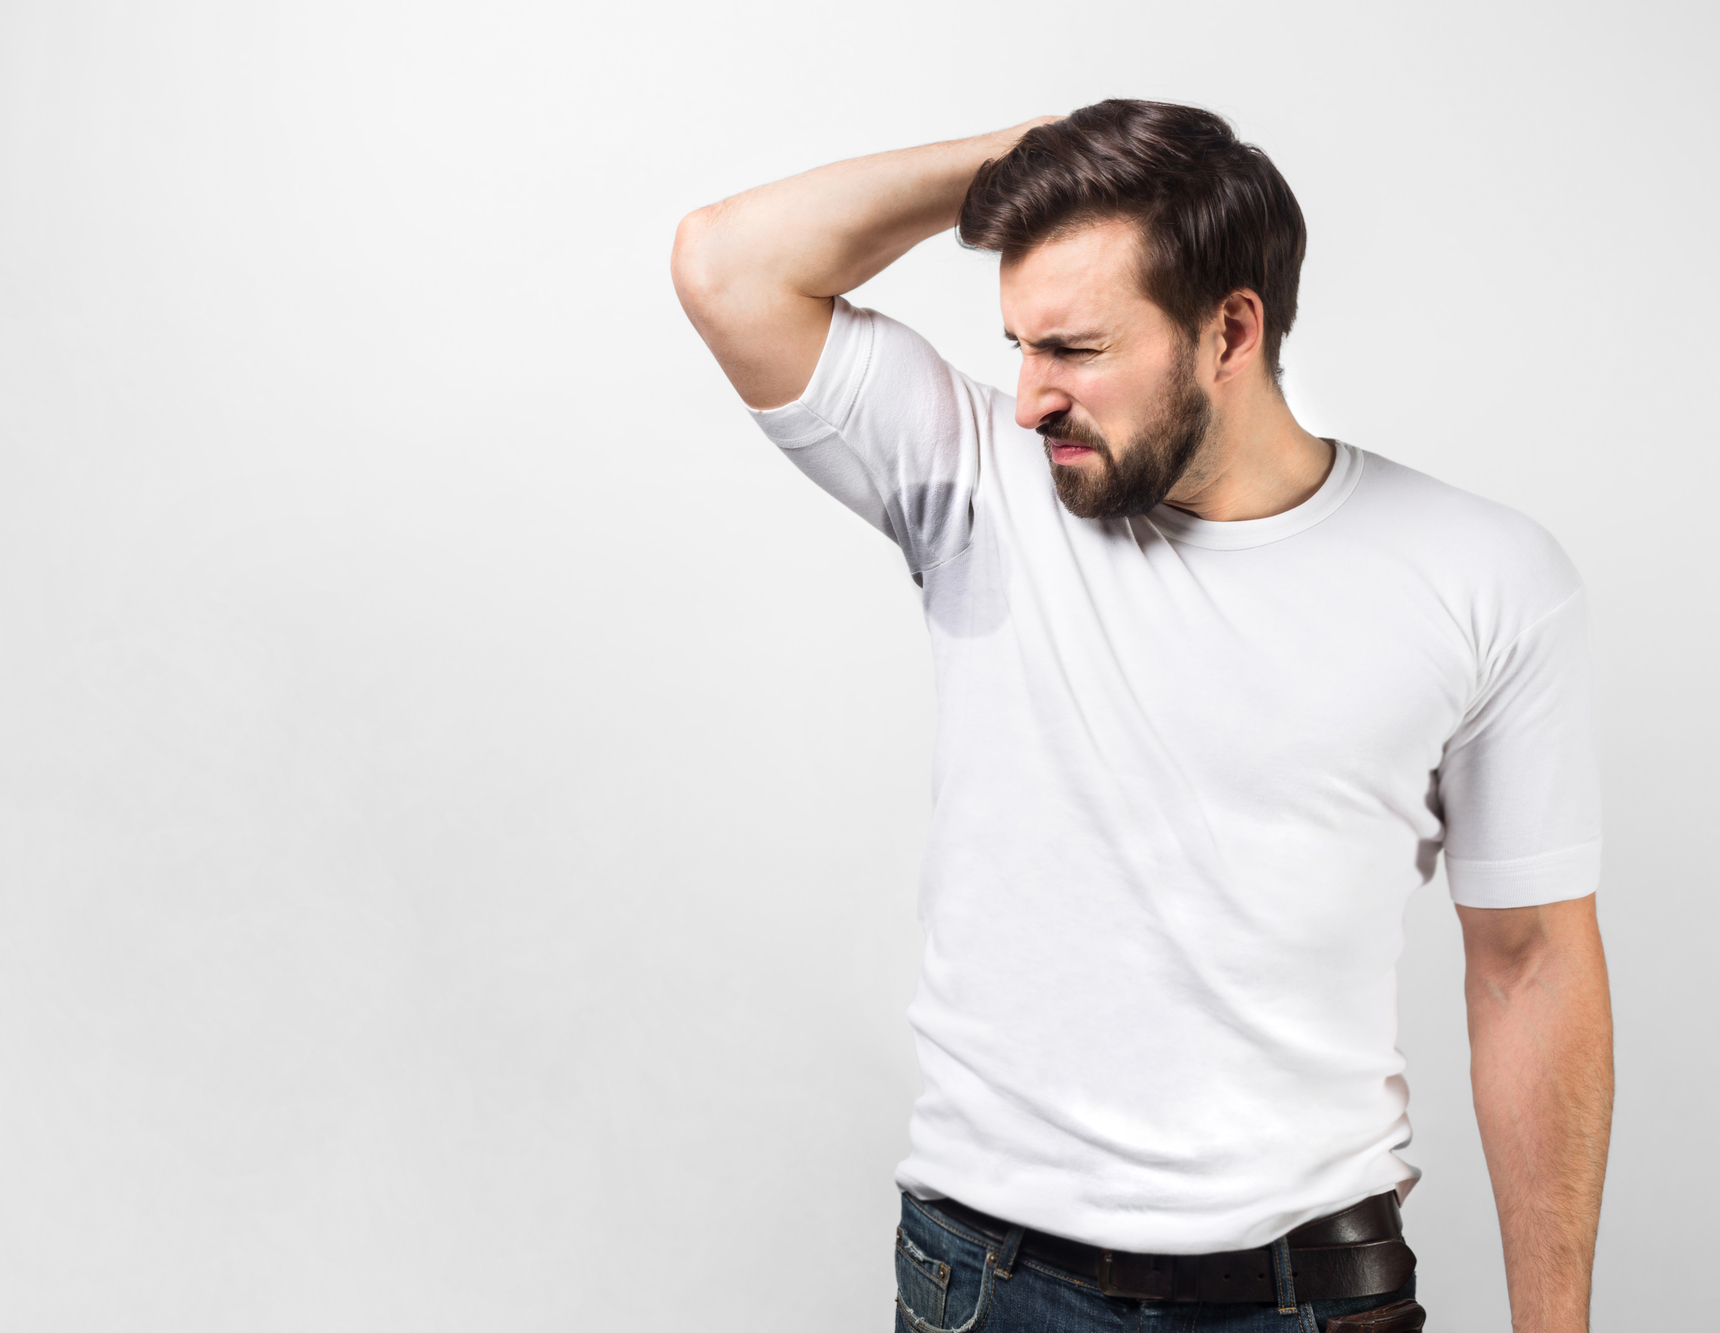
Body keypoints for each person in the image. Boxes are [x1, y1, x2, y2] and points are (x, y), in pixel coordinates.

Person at [670, 100, 1612, 1333]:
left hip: (1304, 1294)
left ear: (1229, 329)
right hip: (983, 1286)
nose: (1025, 400)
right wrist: (1028, 150)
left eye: (1071, 346)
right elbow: (725, 266)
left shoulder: (1480, 575)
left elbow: (1531, 967)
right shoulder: (976, 488)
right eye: (1013, 343)